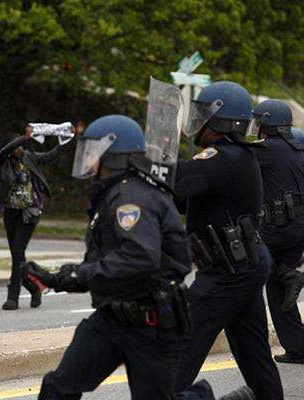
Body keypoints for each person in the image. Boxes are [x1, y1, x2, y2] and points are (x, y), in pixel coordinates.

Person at [22, 115, 250, 400]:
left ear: (116, 156)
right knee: (59, 388)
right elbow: (110, 263)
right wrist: (56, 278)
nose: (90, 161)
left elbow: (139, 258)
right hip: (112, 318)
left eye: (95, 153)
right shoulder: (116, 193)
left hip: (150, 324)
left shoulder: (133, 198)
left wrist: (80, 274)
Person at [174, 81, 284, 399]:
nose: (197, 122)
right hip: (241, 266)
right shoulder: (233, 158)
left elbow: (179, 180)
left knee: (177, 350)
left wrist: (146, 163)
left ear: (220, 121)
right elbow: (183, 199)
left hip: (227, 272)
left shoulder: (224, 158)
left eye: (203, 115)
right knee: (254, 353)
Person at [0, 125, 69, 310]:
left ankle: (13, 297)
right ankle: (34, 288)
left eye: (21, 145)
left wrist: (63, 142)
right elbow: (5, 151)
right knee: (17, 256)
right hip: (11, 212)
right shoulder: (3, 160)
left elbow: (49, 156)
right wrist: (23, 138)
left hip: (30, 212)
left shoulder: (28, 157)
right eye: (16, 146)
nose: (20, 149)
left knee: (18, 252)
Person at [251, 99, 304, 364]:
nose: (256, 128)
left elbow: (238, 157)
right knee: (278, 291)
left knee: (251, 267)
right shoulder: (297, 148)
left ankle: (287, 273)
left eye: (259, 123)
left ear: (267, 125)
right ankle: (298, 348)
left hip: (277, 230)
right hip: (297, 231)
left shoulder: (267, 150)